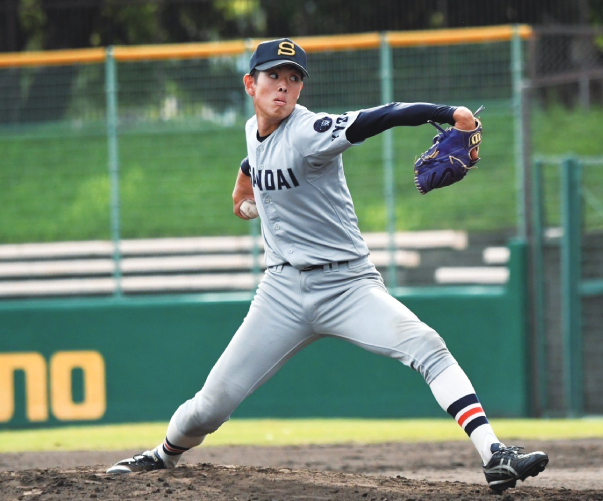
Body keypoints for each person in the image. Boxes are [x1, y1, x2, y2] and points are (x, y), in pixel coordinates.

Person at [107, 38, 548, 492]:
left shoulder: (309, 129)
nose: (283, 86)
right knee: (209, 407)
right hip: (280, 294)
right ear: (249, 84)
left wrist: (448, 112)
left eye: (293, 78)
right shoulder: (252, 130)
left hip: (348, 285)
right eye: (273, 76)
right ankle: (162, 455)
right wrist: (242, 185)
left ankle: (494, 454)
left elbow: (383, 114)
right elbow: (254, 154)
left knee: (426, 345)